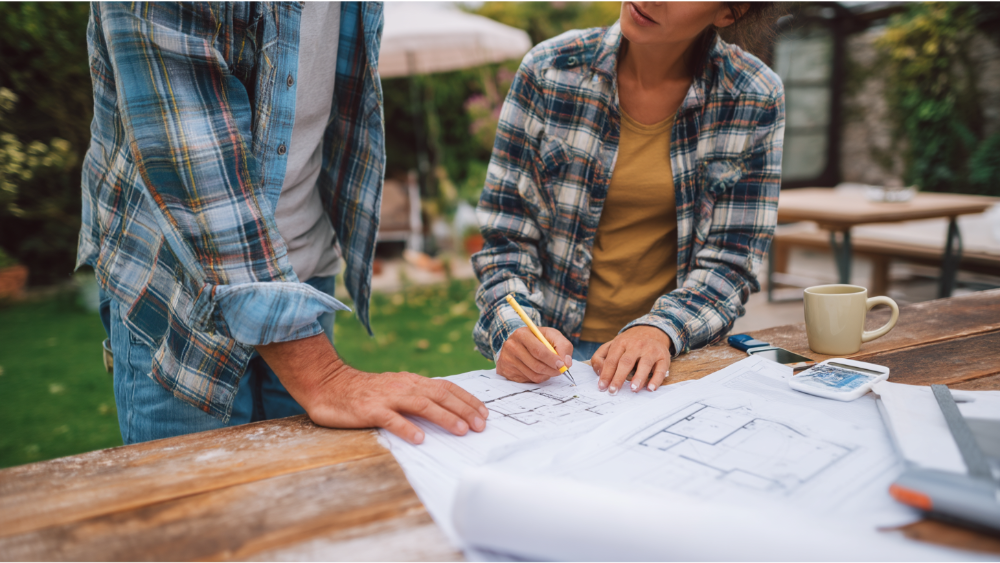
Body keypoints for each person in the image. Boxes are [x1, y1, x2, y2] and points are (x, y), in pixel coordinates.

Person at [80, 1, 487, 446]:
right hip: (178, 288)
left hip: (304, 274)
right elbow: (188, 154)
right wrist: (323, 374)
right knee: (205, 506)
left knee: (304, 500)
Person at [473, 2, 784, 394]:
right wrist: (513, 327)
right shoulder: (549, 70)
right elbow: (506, 235)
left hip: (668, 354)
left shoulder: (753, 96)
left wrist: (659, 329)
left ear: (729, 13)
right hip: (551, 358)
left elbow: (732, 260)